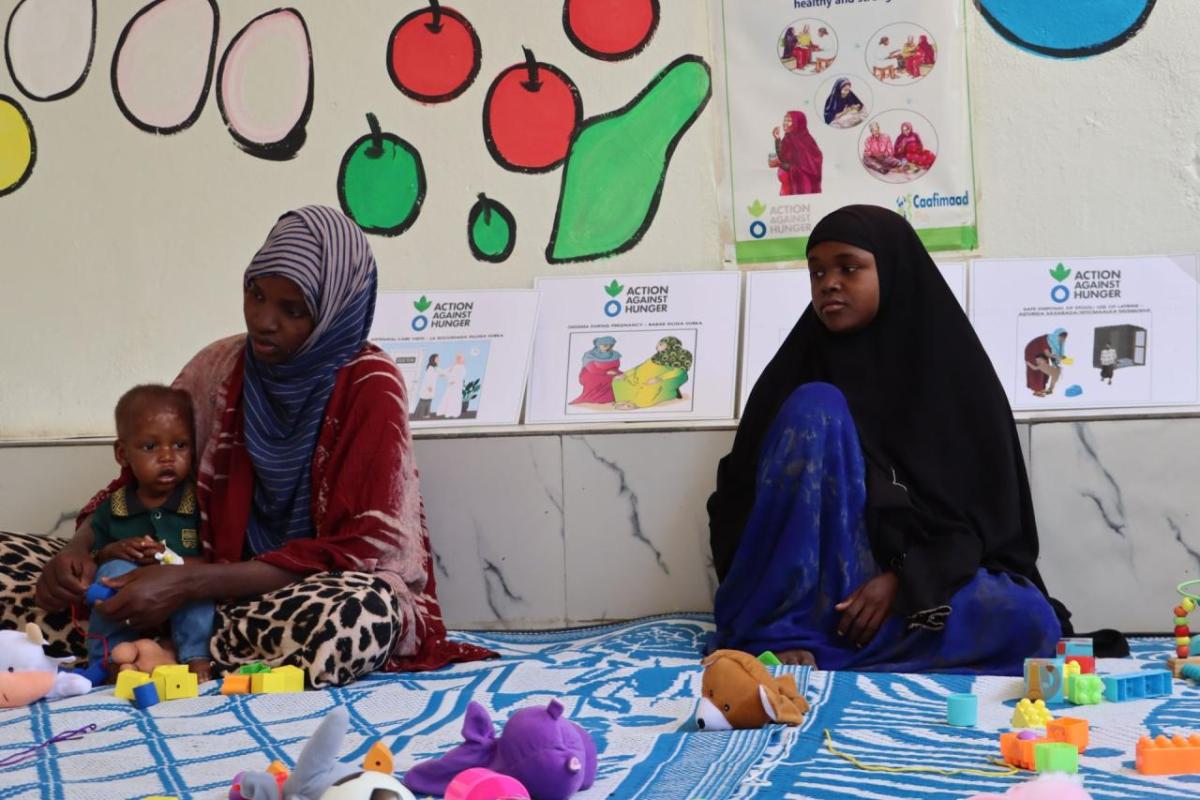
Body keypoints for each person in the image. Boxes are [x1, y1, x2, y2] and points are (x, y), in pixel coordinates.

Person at [13, 205, 493, 686]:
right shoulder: (219, 366)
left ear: (334, 312)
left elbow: (360, 550)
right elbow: (135, 487)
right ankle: (163, 641)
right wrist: (79, 554)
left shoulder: (370, 384)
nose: (263, 321)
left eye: (293, 309)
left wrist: (190, 585)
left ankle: (146, 644)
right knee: (13, 563)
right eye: (256, 294)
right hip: (182, 572)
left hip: (291, 594)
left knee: (361, 615)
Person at [707, 205, 1070, 675]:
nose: (828, 283)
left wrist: (904, 580)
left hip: (907, 590)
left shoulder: (952, 372)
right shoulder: (796, 372)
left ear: (893, 270)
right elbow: (741, 503)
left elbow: (986, 524)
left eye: (848, 267)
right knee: (816, 405)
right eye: (816, 272)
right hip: (810, 588)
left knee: (1029, 620)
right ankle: (786, 633)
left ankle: (824, 648)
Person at [87, 385, 214, 682]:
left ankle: (196, 656)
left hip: (181, 592)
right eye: (150, 447)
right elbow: (94, 555)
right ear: (123, 453)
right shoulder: (113, 506)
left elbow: (213, 560)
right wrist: (113, 551)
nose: (168, 457)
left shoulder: (198, 502)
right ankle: (108, 658)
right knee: (111, 572)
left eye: (180, 446)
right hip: (131, 600)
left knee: (200, 586)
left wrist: (167, 558)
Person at [612, 336, 693, 410]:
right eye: (658, 344)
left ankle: (636, 403)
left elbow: (678, 371)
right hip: (644, 377)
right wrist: (625, 374)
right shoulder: (657, 356)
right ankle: (624, 400)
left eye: (661, 344)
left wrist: (659, 378)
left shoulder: (680, 356)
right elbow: (640, 366)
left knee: (651, 386)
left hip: (667, 378)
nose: (657, 346)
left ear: (670, 346)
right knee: (619, 381)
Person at [772, 111, 823, 196]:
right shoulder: (788, 138)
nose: (785, 123)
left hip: (802, 191)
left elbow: (806, 169)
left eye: (788, 120)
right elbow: (783, 158)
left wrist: (781, 164)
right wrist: (777, 139)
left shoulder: (806, 141)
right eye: (784, 120)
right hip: (787, 189)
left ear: (798, 122)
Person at [571, 336, 622, 405]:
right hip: (592, 374)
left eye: (611, 346)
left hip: (610, 372)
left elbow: (616, 366)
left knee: (624, 377)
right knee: (611, 379)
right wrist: (607, 373)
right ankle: (601, 400)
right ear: (598, 345)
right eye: (605, 345)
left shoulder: (615, 354)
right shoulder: (589, 355)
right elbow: (592, 369)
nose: (608, 348)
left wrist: (616, 372)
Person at [436, 353, 467, 419]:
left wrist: (454, 381)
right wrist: (445, 374)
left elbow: (460, 376)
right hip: (451, 386)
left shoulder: (462, 368)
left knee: (454, 398)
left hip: (456, 386)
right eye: (457, 358)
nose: (458, 360)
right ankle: (445, 411)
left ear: (462, 360)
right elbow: (446, 372)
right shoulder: (454, 366)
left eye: (459, 358)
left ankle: (453, 412)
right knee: (448, 397)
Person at [414, 353, 440, 419]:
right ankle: (420, 415)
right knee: (424, 401)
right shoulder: (430, 368)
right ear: (433, 359)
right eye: (437, 358)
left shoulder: (435, 368)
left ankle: (425, 414)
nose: (438, 360)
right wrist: (429, 386)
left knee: (428, 400)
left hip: (430, 388)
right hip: (428, 387)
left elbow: (440, 373)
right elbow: (428, 378)